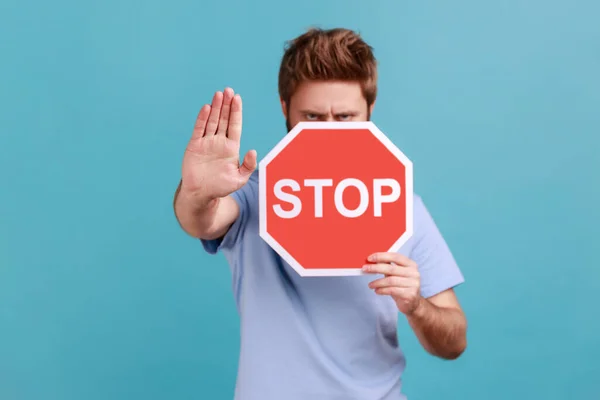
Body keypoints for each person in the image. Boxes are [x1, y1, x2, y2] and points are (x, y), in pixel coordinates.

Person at [173, 27, 467, 400]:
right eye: (312, 117)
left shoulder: (402, 205)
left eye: (344, 117)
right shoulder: (253, 193)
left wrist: (417, 307)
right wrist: (197, 194)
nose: (329, 133)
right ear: (285, 108)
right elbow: (202, 219)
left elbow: (454, 341)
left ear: (370, 111)